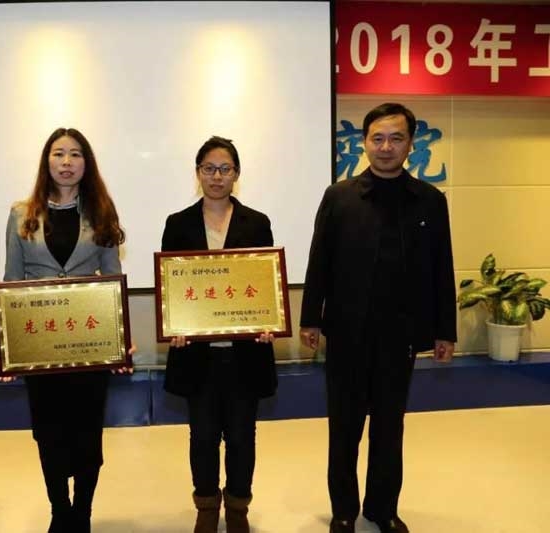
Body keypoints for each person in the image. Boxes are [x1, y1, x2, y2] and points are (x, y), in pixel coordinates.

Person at [299, 103, 456, 533]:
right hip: (347, 332)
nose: (386, 147)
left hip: (400, 334)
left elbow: (442, 267)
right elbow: (319, 261)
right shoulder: (340, 196)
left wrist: (445, 330)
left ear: (410, 144)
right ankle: (344, 510)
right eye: (378, 138)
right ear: (364, 142)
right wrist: (311, 318)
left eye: (396, 138)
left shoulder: (429, 201)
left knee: (389, 427)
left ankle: (382, 509)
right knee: (344, 427)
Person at [0, 127, 130, 533]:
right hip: (40, 343)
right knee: (48, 434)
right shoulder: (21, 213)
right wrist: (5, 344)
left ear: (87, 163)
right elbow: (12, 281)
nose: (66, 162)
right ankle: (59, 510)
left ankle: (82, 512)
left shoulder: (101, 211)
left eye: (75, 154)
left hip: (89, 341)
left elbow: (113, 279)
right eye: (58, 154)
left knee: (88, 433)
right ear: (46, 161)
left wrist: (122, 338)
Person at [161, 136, 277, 533]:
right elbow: (172, 286)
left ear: (236, 174)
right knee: (203, 436)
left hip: (246, 353)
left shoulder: (257, 223)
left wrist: (268, 320)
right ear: (198, 173)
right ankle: (207, 506)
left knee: (243, 436)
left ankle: (239, 507)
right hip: (198, 354)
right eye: (209, 168)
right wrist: (174, 325)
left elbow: (264, 282)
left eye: (225, 169)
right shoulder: (177, 224)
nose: (216, 176)